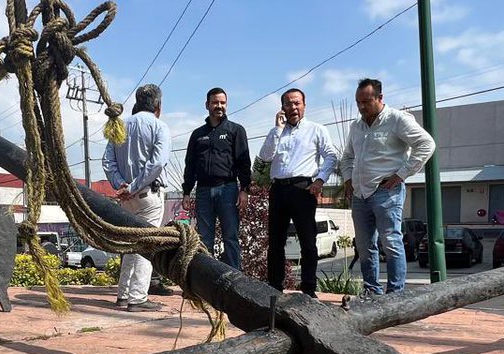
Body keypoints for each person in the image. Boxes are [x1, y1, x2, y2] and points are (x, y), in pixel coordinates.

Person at [339, 78, 436, 296]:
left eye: (367, 101)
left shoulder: (397, 120)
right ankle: (372, 292)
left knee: (391, 243)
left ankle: (395, 295)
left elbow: (427, 144)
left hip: (386, 192)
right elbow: (347, 157)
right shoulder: (356, 126)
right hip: (359, 195)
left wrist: (402, 174)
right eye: (358, 102)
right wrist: (347, 180)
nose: (362, 107)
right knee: (364, 247)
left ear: (380, 98)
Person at [257, 88, 340, 296]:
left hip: (303, 189)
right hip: (278, 189)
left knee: (308, 241)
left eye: (297, 103)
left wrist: (320, 180)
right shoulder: (276, 132)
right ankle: (275, 287)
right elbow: (265, 157)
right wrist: (277, 130)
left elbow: (330, 155)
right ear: (282, 107)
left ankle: (309, 288)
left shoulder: (317, 129)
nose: (293, 107)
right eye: (288, 104)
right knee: (275, 242)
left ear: (304, 105)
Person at [102, 83, 171, 311]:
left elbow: (107, 161)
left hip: (125, 197)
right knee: (145, 245)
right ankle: (138, 298)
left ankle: (123, 295)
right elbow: (157, 163)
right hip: (147, 194)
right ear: (158, 106)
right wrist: (133, 185)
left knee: (131, 246)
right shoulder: (159, 127)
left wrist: (121, 184)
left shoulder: (120, 125)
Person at [181, 87, 251, 268]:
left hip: (227, 190)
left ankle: (235, 280)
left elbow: (244, 162)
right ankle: (207, 281)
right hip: (203, 192)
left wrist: (244, 190)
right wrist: (186, 192)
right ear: (207, 105)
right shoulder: (197, 134)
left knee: (231, 237)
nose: (219, 106)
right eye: (215, 102)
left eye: (222, 102)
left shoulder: (236, 130)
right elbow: (190, 165)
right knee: (204, 240)